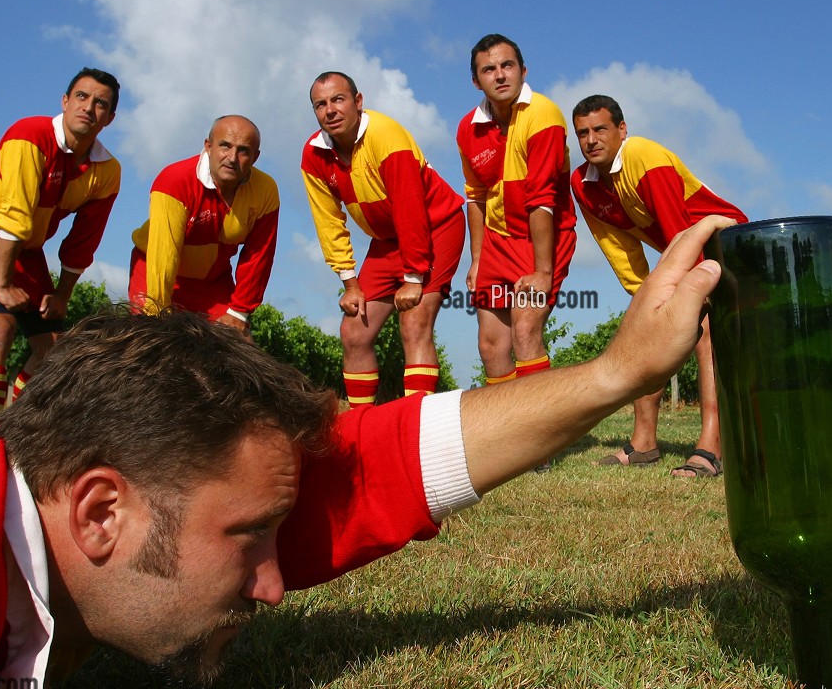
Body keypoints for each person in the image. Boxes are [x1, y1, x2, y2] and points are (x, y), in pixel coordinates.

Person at [0, 216, 734, 689]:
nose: (273, 583)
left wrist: (615, 374)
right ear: (100, 511)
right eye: (251, 536)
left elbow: (371, 467)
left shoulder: (62, 522)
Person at [570, 95, 748, 478]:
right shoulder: (582, 184)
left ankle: (712, 446)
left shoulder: (645, 159)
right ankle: (644, 444)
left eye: (600, 129)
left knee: (704, 336)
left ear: (622, 129)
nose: (591, 140)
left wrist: (689, 295)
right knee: (645, 332)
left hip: (726, 245)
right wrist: (644, 299)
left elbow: (679, 230)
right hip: (681, 250)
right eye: (582, 133)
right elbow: (617, 247)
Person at [0, 67, 121, 433]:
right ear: (64, 101)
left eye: (100, 103)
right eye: (81, 97)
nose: (88, 108)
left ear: (109, 118)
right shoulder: (29, 134)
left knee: (56, 347)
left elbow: (84, 239)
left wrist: (62, 295)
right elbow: (15, 212)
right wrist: (1, 285)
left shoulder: (107, 171)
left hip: (26, 248)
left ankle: (15, 425)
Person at [301, 72, 464, 405]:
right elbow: (328, 221)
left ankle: (417, 427)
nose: (330, 110)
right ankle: (363, 427)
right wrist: (350, 283)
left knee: (414, 322)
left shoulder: (386, 134)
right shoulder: (313, 155)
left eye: (338, 99)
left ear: (358, 102)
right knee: (353, 332)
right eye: (321, 104)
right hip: (388, 239)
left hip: (435, 226)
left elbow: (410, 208)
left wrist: (414, 277)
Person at [456, 34, 577, 389]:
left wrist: (543, 270)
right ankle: (509, 434)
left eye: (507, 65)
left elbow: (541, 198)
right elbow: (475, 196)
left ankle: (540, 435)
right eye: (489, 69)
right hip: (495, 240)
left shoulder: (543, 114)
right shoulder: (467, 128)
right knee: (490, 344)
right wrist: (477, 260)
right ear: (476, 81)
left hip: (542, 237)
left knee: (525, 329)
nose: (500, 75)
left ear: (523, 70)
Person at [129, 115, 279, 335]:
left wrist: (239, 312)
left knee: (239, 349)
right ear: (208, 146)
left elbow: (259, 256)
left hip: (213, 282)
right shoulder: (174, 180)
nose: (232, 158)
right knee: (154, 346)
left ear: (255, 157)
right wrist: (156, 314)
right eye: (225, 146)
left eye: (243, 151)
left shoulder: (266, 190)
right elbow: (164, 256)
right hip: (156, 274)